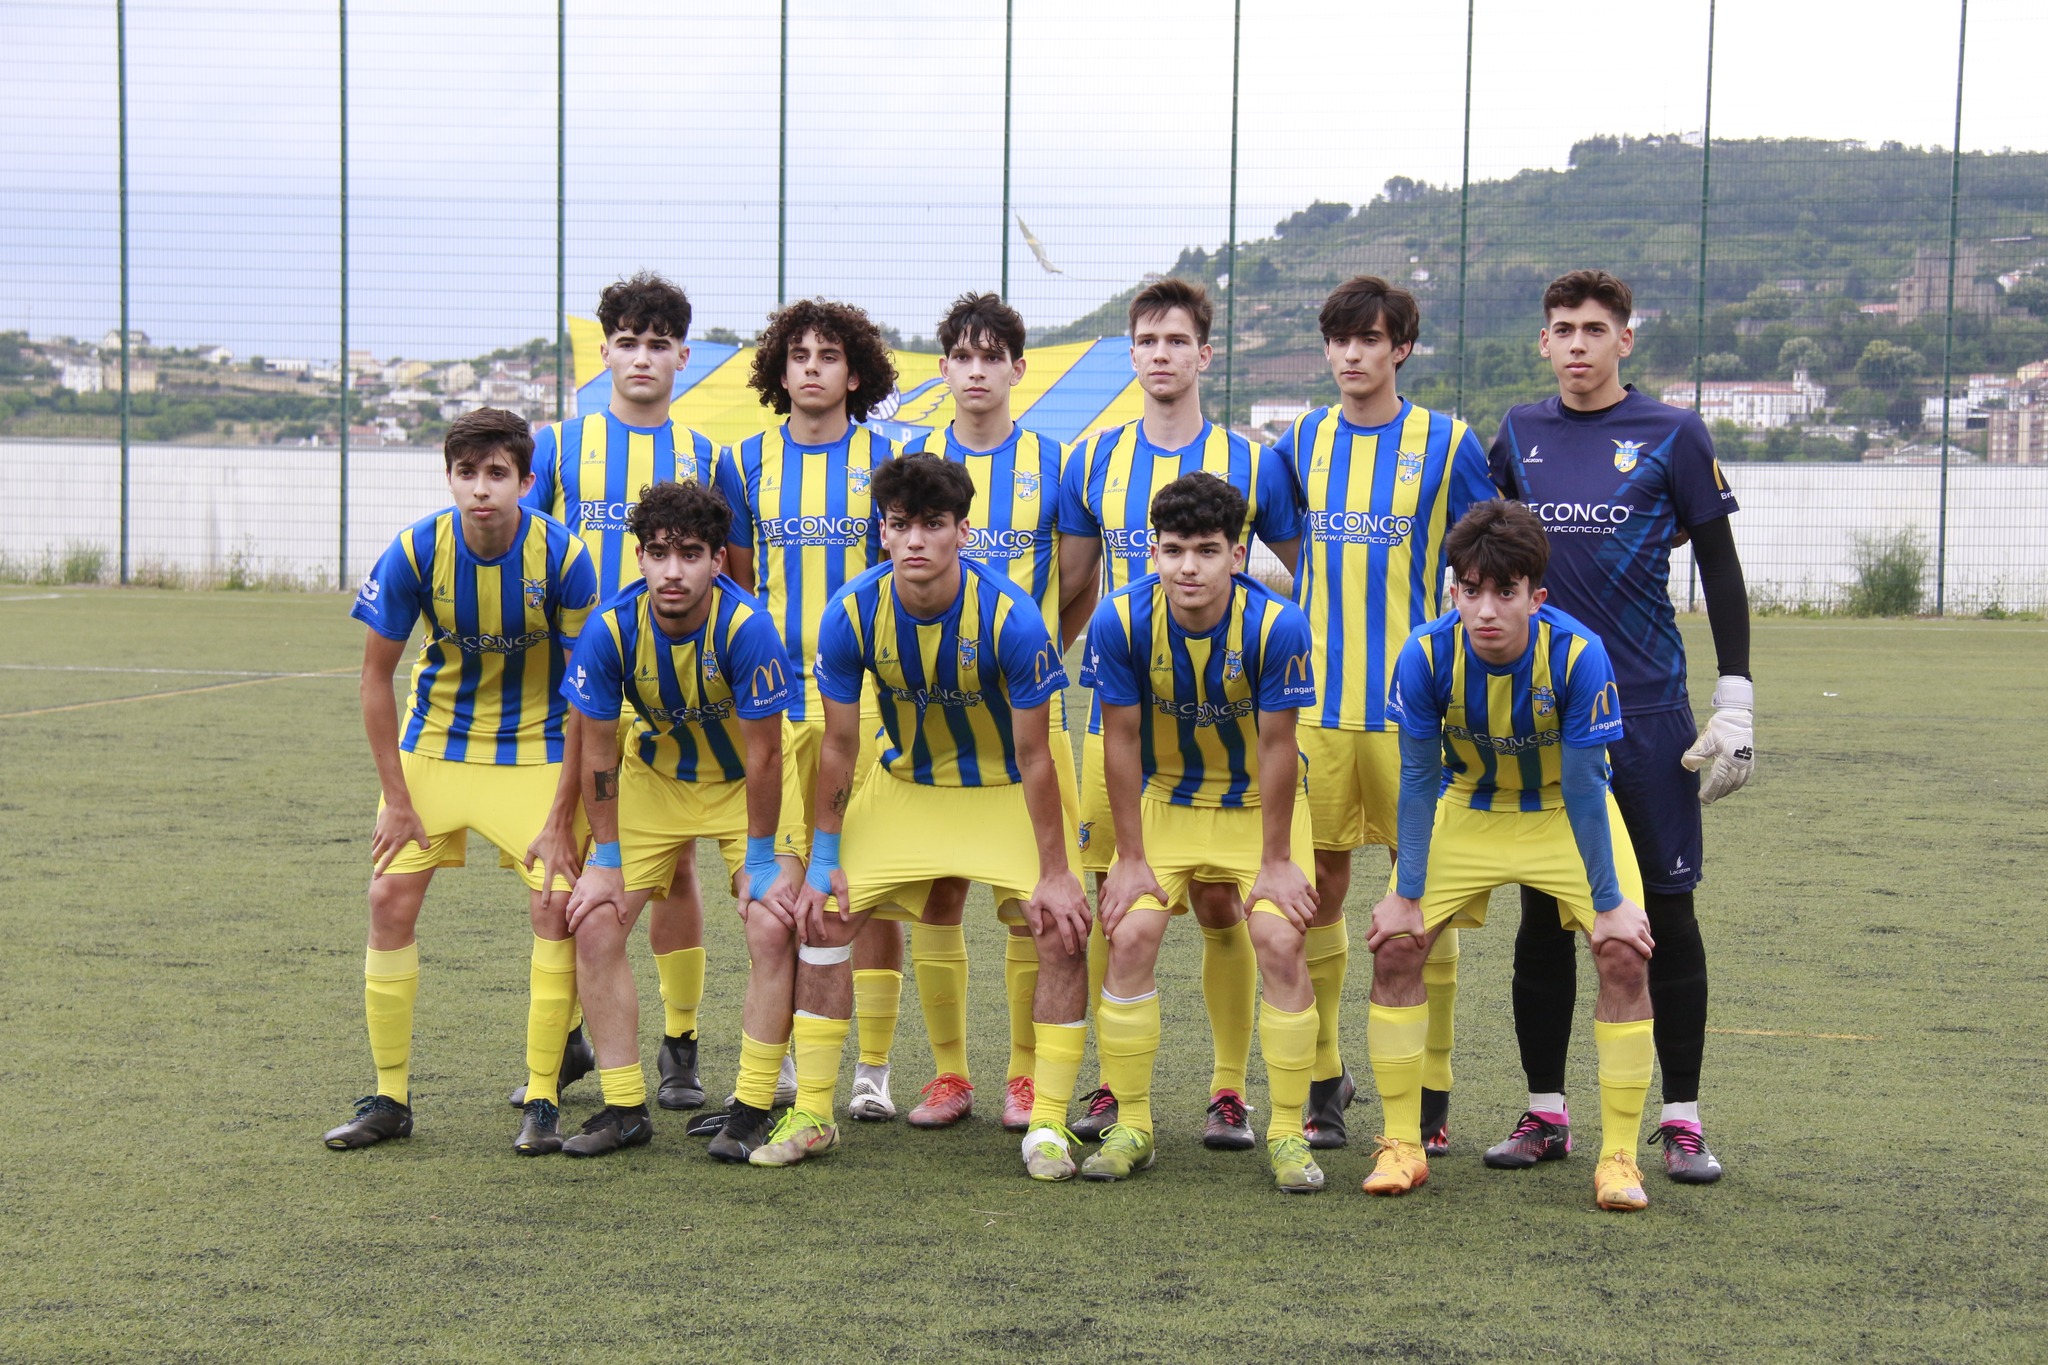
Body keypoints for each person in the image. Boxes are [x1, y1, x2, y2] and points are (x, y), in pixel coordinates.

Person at [1486, 269, 1751, 1183]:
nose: (1576, 344)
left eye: (1595, 328)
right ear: (1545, 340)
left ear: (1625, 340)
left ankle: (1680, 1118)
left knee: (1666, 915)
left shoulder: (1673, 434)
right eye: (1561, 328)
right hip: (1540, 718)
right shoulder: (1519, 434)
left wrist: (1738, 698)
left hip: (1647, 717)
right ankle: (1545, 1112)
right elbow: (1485, 561)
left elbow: (1718, 564)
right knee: (1543, 915)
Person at [760, 455, 1092, 1179]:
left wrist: (1060, 874)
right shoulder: (850, 612)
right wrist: (822, 863)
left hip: (1005, 786)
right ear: (882, 532)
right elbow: (842, 747)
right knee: (825, 915)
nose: (915, 540)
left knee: (1059, 926)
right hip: (908, 785)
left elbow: (1037, 757)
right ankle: (815, 1111)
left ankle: (1047, 1124)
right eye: (901, 524)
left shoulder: (1013, 617)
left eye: (933, 525)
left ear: (962, 533)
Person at [1058, 277, 1303, 1151]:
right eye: (1146, 342)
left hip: (1233, 732)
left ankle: (1229, 1089)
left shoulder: (1255, 460)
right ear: (1132, 355)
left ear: (1206, 354)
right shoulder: (1093, 459)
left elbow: (1295, 571)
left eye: (1176, 341)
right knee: (1119, 900)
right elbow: (1076, 584)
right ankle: (1111, 1085)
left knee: (1223, 905)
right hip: (1124, 724)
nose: (1160, 355)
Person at [1362, 498, 1657, 1212]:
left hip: (1562, 811)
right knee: (1397, 943)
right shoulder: (1426, 654)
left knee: (1623, 953)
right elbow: (1421, 777)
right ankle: (1403, 1143)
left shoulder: (1579, 655)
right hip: (1470, 807)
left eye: (1505, 591)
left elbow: (1589, 787)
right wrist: (1406, 888)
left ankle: (1619, 1158)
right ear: (1452, 590)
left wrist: (1611, 905)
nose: (1486, 608)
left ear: (1536, 596)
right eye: (1471, 589)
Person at [323, 407, 598, 1153]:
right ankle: (389, 1095)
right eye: (467, 473)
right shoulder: (416, 550)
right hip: (436, 746)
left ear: (526, 481)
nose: (482, 489)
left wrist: (561, 813)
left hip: (537, 748)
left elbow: (587, 697)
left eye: (497, 474)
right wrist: (399, 801)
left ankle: (542, 1098)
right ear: (449, 477)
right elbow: (375, 680)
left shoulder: (564, 558)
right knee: (388, 896)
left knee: (555, 904)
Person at [1275, 275, 1495, 1152]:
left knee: (1425, 899)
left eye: (1370, 340)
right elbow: (1291, 547)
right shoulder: (1302, 441)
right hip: (1320, 711)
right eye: (1339, 341)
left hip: (1418, 718)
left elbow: (1484, 552)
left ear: (1402, 347)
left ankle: (1431, 1096)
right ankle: (1326, 1081)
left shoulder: (1448, 442)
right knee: (1318, 892)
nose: (1352, 356)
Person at [1078, 473, 1326, 1193]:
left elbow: (1280, 747)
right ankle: (1134, 1122)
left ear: (1238, 555)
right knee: (1129, 932)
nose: (1189, 566)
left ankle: (1284, 1132)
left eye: (1208, 550)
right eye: (1175, 549)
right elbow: (1119, 739)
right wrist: (1127, 858)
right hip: (1167, 804)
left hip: (1259, 812)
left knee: (1279, 937)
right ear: (1152, 551)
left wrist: (1277, 862)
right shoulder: (1121, 619)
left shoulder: (1277, 625)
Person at [891, 291, 1095, 1133]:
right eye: (962, 358)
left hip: (1021, 725)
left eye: (992, 357)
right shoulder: (911, 462)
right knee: (938, 894)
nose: (977, 372)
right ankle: (949, 1076)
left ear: (1019, 369)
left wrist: (1035, 657)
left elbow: (1077, 581)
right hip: (929, 722)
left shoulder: (1059, 465)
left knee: (1030, 903)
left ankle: (1021, 1077)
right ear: (942, 371)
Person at [518, 270, 721, 1113]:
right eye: (626, 342)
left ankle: (678, 1043)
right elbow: (524, 545)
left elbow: (724, 570)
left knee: (672, 868)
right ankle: (563, 1040)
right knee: (561, 869)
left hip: (673, 687)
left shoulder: (705, 455)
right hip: (581, 689)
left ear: (682, 354)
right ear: (602, 352)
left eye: (657, 343)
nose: (641, 357)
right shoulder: (561, 446)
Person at [555, 479, 800, 1158]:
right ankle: (624, 1105)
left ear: (718, 560)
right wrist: (604, 857)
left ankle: (752, 1106)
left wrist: (757, 862)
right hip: (655, 782)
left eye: (690, 553)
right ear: (638, 556)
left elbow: (768, 758)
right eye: (658, 551)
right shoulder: (610, 630)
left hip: (743, 788)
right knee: (595, 918)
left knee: (772, 918)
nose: (672, 569)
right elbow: (598, 751)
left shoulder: (747, 629)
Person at [709, 297, 897, 1116]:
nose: (812, 367)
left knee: (867, 887)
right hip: (779, 706)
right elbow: (742, 585)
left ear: (855, 373)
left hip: (868, 706)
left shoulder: (888, 460)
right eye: (799, 355)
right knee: (782, 893)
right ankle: (779, 1061)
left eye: (829, 355)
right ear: (779, 372)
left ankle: (874, 1073)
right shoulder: (744, 463)